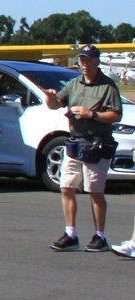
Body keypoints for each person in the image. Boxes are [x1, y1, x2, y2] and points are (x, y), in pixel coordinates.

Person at [44, 45, 122, 251]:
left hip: (97, 143)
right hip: (75, 141)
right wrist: (50, 97)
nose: (84, 65)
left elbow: (115, 115)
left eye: (88, 60)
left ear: (97, 61)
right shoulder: (73, 84)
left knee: (94, 190)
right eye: (81, 60)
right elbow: (55, 104)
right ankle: (70, 233)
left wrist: (92, 115)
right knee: (67, 187)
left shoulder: (107, 86)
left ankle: (100, 236)